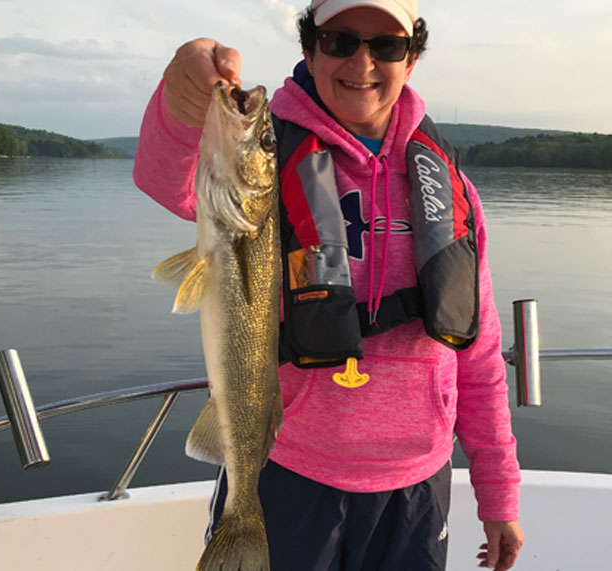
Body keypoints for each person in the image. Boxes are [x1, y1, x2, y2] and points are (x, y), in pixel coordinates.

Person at [133, 1, 524, 569]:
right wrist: (180, 103)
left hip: (416, 485)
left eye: (386, 46)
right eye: (340, 40)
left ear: (411, 58)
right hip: (287, 470)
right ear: (310, 49)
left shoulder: (449, 185)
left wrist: (498, 491)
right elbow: (164, 178)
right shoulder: (271, 159)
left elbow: (481, 353)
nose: (362, 61)